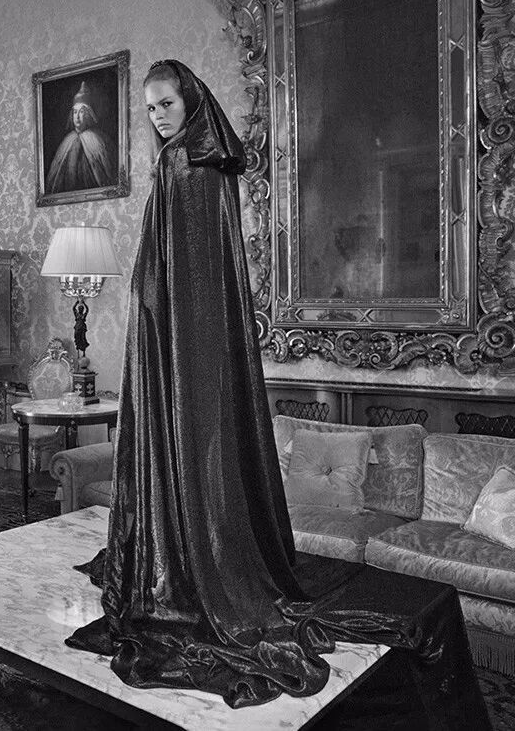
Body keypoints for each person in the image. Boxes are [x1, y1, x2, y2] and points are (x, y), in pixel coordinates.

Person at [65, 61, 492, 724]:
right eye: (149, 108)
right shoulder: (207, 168)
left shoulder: (185, 166)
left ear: (192, 102)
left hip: (184, 347)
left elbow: (183, 285)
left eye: (167, 103)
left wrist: (162, 332)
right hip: (193, 347)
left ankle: (193, 567)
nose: (158, 117)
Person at [45, 81, 117, 194]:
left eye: (81, 112)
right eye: (75, 112)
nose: (77, 116)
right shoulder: (67, 141)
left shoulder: (98, 140)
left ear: (88, 114)